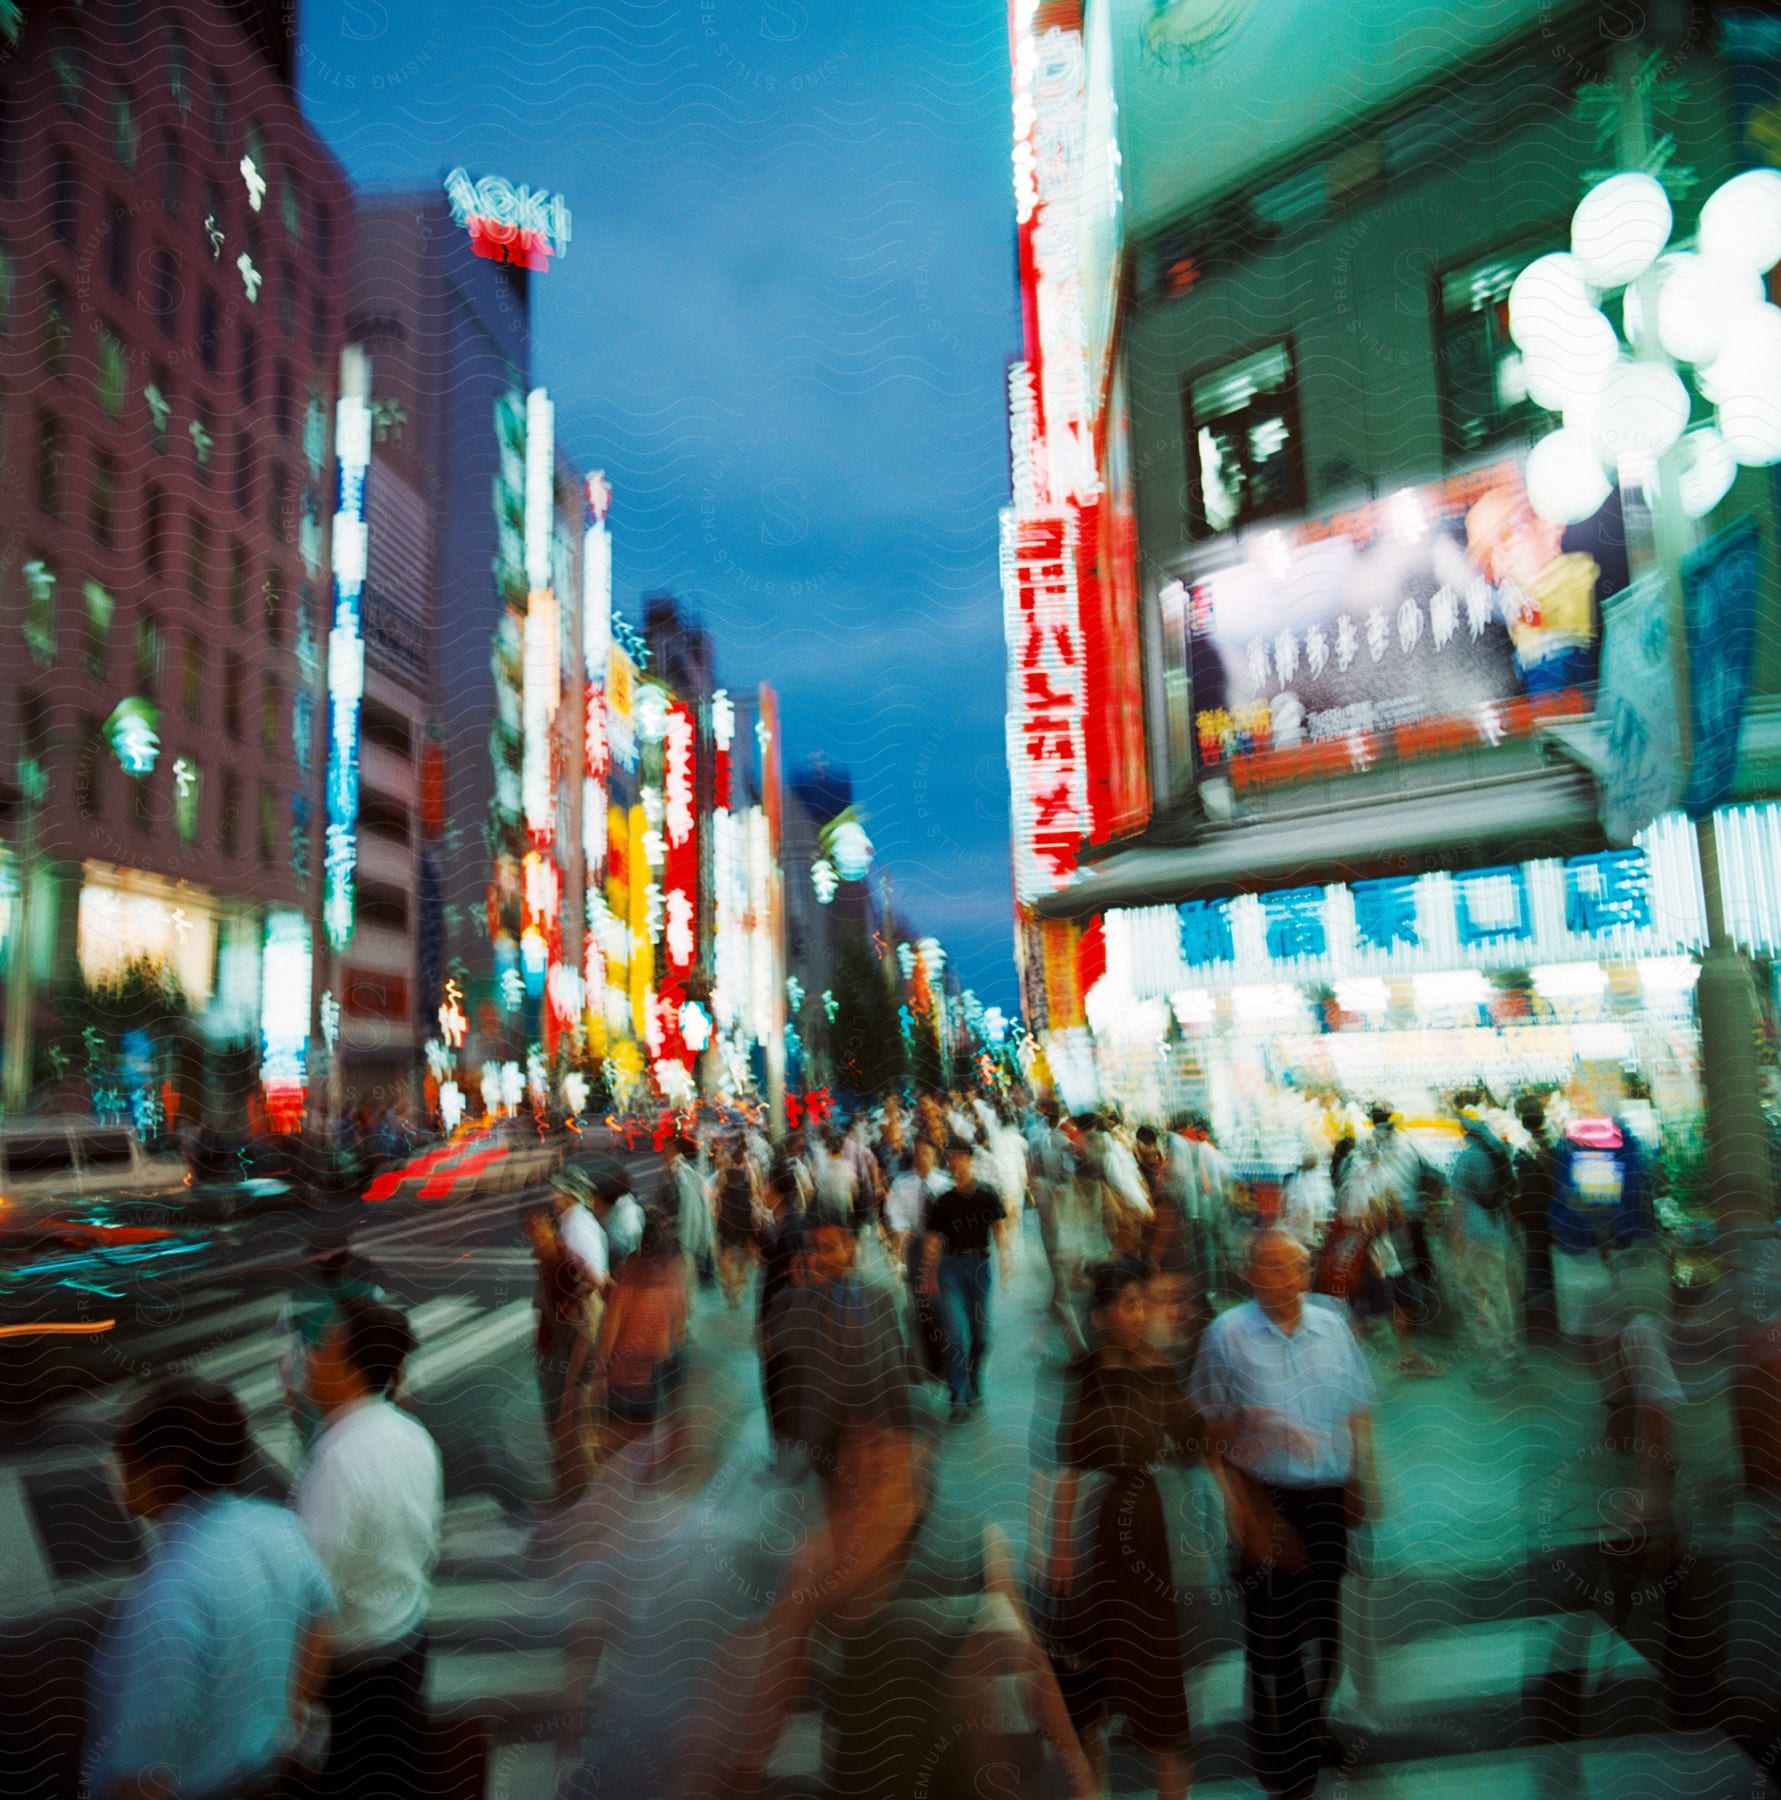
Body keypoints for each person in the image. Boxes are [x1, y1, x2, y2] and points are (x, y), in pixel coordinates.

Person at [1192, 1231, 1379, 1800]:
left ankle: (1312, 1725)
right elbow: (1210, 1436)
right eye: (1270, 1266)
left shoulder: (1333, 1324)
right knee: (1272, 1639)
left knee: (1324, 1631)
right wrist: (1247, 1517)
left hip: (1326, 1498)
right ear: (1249, 1273)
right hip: (1266, 1497)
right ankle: (1282, 1757)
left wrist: (1360, 1478)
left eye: (1294, 1265)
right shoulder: (1227, 1336)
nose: (1285, 1276)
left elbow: (1356, 1407)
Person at [85, 1378, 335, 1800]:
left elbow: (142, 1776)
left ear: (161, 1469)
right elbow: (321, 1619)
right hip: (268, 1775)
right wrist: (288, 1720)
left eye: (125, 1458)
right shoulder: (278, 1527)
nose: (117, 1472)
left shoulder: (168, 1596)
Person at [1048, 1260, 1202, 1800]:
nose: (1140, 1317)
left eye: (1144, 1305)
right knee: (1089, 1667)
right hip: (1098, 1529)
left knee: (1156, 1666)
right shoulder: (1087, 1373)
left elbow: (1193, 1445)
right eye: (1130, 1306)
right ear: (1100, 1316)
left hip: (1151, 1529)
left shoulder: (1163, 1370)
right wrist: (1058, 1548)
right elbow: (1068, 1465)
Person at [293, 1299, 444, 1800]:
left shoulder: (339, 1460)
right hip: (407, 1642)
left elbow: (316, 1600)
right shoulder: (413, 1436)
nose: (310, 1357)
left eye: (323, 1347)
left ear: (349, 1369)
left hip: (356, 1678)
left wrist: (296, 1709)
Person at [772, 1206, 914, 1496]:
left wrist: (903, 1430)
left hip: (876, 1428)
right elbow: (787, 1348)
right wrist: (803, 1292)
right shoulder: (796, 1299)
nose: (820, 1258)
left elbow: (895, 1369)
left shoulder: (881, 1298)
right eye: (814, 1249)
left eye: (829, 1248)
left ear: (850, 1248)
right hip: (829, 1437)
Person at [923, 1138, 1010, 1423]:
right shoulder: (943, 1201)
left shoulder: (987, 1195)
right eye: (951, 1157)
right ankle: (958, 1394)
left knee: (981, 1335)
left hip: (979, 1268)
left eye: (960, 1157)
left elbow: (999, 1228)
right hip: (950, 1269)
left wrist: (1006, 1260)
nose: (955, 1162)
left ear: (970, 1160)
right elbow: (934, 1240)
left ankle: (974, 1381)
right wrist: (929, 1274)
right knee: (954, 1336)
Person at [592, 1213, 690, 1450]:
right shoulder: (673, 1266)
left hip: (630, 1363)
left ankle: (625, 1468)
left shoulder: (634, 1266)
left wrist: (602, 1360)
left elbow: (615, 1317)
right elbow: (681, 1310)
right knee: (646, 1426)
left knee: (623, 1430)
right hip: (659, 1355)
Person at [524, 1201, 599, 1505]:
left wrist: (571, 1384)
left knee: (569, 1426)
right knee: (559, 1426)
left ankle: (578, 1492)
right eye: (529, 1229)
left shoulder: (565, 1264)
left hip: (565, 1358)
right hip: (550, 1354)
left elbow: (582, 1335)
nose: (533, 1235)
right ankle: (568, 1485)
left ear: (552, 1228)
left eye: (538, 1227)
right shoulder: (545, 1262)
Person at [277, 1245, 387, 1453]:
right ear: (346, 1264)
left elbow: (284, 1353)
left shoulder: (297, 1298)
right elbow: (385, 1342)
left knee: (319, 1453)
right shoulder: (371, 1293)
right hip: (363, 1389)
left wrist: (291, 1396)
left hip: (319, 1395)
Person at [1448, 1090, 1523, 1389]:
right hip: (1499, 1233)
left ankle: (1496, 1361)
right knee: (1499, 1295)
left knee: (1475, 1300)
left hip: (1474, 1237)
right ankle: (1512, 1350)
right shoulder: (1498, 1153)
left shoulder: (1466, 1159)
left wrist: (1455, 1243)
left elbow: (1457, 1205)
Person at [713, 1136, 762, 1308]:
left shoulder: (725, 1166)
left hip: (727, 1215)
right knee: (743, 1252)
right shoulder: (750, 1167)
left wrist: (717, 1211)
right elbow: (755, 1193)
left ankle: (728, 1285)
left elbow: (718, 1188)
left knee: (725, 1252)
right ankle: (739, 1289)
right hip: (744, 1214)